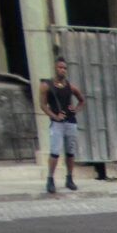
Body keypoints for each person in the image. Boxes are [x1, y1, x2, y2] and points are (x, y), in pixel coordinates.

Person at [39, 57, 85, 193]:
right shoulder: (46, 85)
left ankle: (69, 178)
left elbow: (82, 100)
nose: (63, 70)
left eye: (65, 68)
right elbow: (42, 105)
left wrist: (75, 111)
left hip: (70, 122)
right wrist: (54, 116)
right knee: (55, 152)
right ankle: (50, 179)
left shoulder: (70, 86)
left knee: (70, 153)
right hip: (57, 124)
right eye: (60, 67)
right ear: (55, 68)